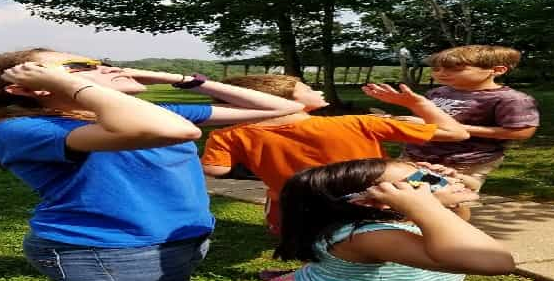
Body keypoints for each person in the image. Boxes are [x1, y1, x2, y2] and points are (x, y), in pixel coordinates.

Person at [0, 48, 304, 281]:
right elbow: (178, 131)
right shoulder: (16, 129)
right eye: (80, 67)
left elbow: (282, 107)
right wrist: (75, 85)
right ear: (30, 88)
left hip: (172, 240)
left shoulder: (136, 114)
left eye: (100, 62)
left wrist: (178, 78)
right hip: (109, 248)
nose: (104, 68)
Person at [243, 158, 515, 281]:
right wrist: (428, 206)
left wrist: (441, 202)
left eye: (436, 173)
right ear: (376, 202)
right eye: (425, 178)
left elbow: (458, 226)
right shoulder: (369, 237)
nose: (441, 178)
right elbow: (495, 262)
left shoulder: (405, 217)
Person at [201, 74, 470, 235]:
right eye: (306, 88)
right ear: (284, 101)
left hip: (298, 207)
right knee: (454, 199)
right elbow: (456, 133)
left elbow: (216, 170)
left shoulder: (227, 134)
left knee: (317, 239)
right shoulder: (358, 122)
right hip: (373, 201)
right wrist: (418, 103)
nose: (316, 91)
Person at [399, 45, 540, 219]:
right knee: (406, 198)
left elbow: (522, 132)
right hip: (415, 155)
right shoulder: (437, 93)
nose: (441, 73)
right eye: (436, 69)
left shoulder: (511, 99)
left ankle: (456, 238)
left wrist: (456, 129)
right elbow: (426, 121)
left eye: (455, 69)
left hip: (464, 162)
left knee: (448, 202)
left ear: (497, 70)